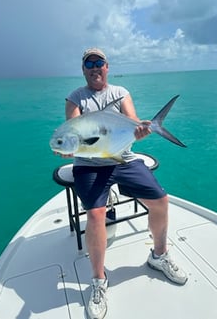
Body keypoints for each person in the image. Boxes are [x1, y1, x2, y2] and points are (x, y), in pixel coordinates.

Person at [65, 48, 188, 319]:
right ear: (83, 69)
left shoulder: (120, 92)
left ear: (107, 66)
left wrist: (142, 131)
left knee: (161, 200)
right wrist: (69, 146)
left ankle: (158, 255)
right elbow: (72, 130)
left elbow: (132, 123)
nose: (95, 67)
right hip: (89, 164)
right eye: (89, 63)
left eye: (99, 62)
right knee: (96, 214)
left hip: (123, 157)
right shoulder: (75, 98)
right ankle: (98, 280)